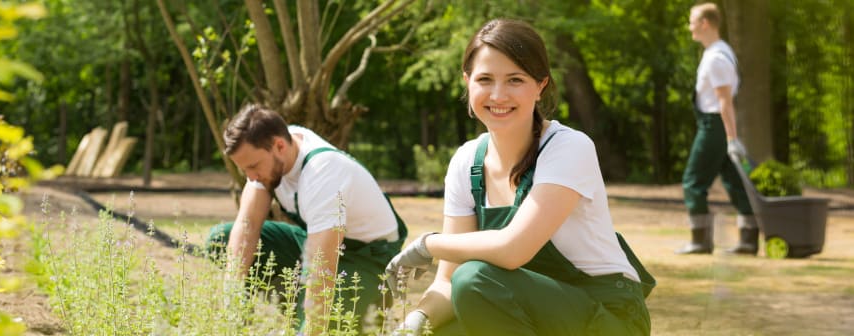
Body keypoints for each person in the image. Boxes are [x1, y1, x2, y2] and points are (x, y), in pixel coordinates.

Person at [384, 19, 655, 336]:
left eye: (515, 80)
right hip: (520, 309)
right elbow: (447, 280)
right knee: (443, 328)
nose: (498, 95)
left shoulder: (568, 147)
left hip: (609, 316)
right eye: (485, 79)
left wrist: (427, 245)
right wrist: (414, 324)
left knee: (474, 280)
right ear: (467, 82)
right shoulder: (466, 162)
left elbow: (513, 250)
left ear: (540, 85)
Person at [204, 104, 407, 333]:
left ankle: (362, 308)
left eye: (253, 167)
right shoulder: (277, 145)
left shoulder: (323, 173)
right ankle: (293, 304)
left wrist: (309, 327)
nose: (251, 178)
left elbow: (322, 268)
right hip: (321, 240)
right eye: (244, 170)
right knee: (221, 240)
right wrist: (232, 304)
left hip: (370, 259)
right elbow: (246, 226)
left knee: (324, 311)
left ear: (279, 146)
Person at [677, 2, 757, 255]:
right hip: (717, 125)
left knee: (693, 182)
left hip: (714, 126)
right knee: (735, 182)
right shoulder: (720, 52)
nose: (689, 26)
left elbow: (725, 102)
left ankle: (700, 240)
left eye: (692, 21)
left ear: (705, 24)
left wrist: (731, 138)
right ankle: (749, 240)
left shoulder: (716, 58)